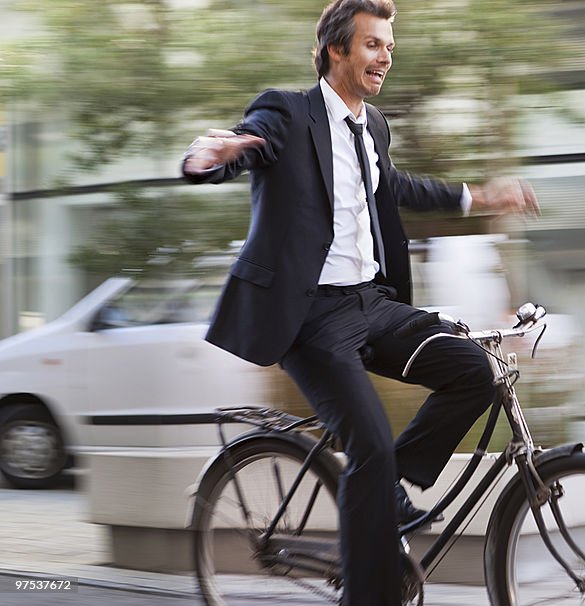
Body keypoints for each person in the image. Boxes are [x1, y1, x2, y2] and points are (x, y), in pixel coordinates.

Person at [181, 1, 539, 603]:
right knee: (368, 443)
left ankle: (382, 492)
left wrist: (481, 197)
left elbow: (394, 186)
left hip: (373, 305)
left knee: (475, 373)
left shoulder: (373, 126)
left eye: (389, 46)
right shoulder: (287, 113)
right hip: (309, 318)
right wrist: (206, 158)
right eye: (372, 44)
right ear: (335, 52)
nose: (385, 56)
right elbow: (247, 147)